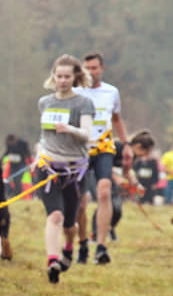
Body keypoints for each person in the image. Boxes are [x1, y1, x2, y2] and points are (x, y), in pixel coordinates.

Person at [33, 54, 94, 284]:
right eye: (59, 76)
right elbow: (44, 134)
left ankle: (69, 246)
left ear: (75, 77)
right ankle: (52, 261)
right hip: (48, 168)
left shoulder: (83, 103)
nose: (63, 80)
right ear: (53, 77)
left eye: (67, 76)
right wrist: (38, 152)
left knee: (70, 223)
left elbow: (87, 135)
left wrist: (69, 128)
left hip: (74, 171)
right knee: (55, 215)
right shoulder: (45, 103)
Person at [74, 52, 128, 265]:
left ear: (102, 68)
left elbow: (116, 119)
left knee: (104, 193)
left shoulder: (111, 92)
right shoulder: (76, 92)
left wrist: (127, 145)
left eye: (94, 68)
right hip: (81, 150)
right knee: (80, 202)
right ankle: (82, 244)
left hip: (105, 148)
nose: (90, 72)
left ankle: (102, 246)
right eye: (87, 68)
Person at [92, 138, 144, 242]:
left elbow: (127, 172)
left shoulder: (131, 156)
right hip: (100, 176)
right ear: (138, 146)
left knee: (117, 209)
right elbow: (103, 164)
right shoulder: (118, 148)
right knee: (105, 204)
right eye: (146, 151)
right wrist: (116, 178)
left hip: (112, 181)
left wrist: (137, 184)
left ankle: (109, 229)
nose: (145, 155)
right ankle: (95, 234)